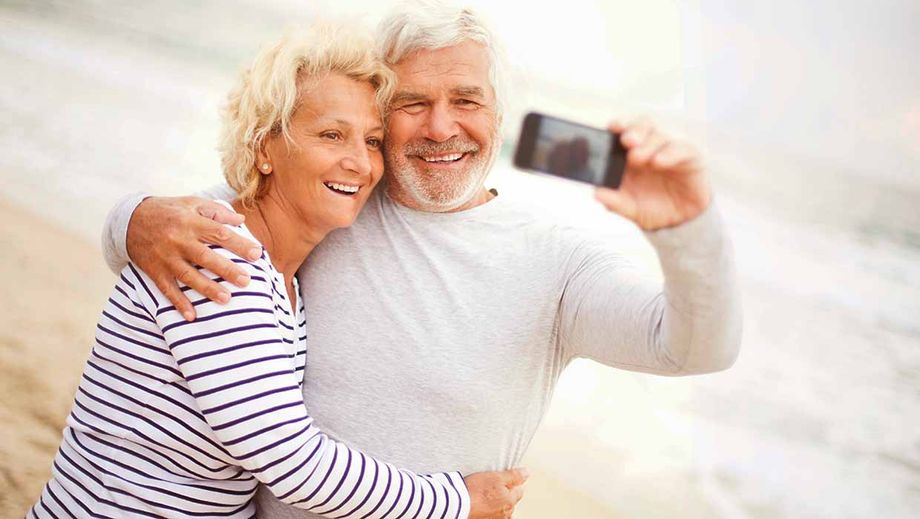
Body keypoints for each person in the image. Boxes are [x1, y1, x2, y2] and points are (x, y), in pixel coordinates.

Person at [101, 2, 743, 517]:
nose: (441, 127)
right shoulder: (337, 197)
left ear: (499, 112)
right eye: (413, 103)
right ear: (382, 110)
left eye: (465, 100)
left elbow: (692, 349)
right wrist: (134, 217)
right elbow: (188, 230)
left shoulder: (559, 258)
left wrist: (688, 229)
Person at [30, 23, 526, 519]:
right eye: (331, 135)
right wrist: (458, 500)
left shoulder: (268, 260)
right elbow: (295, 464)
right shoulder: (219, 261)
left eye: (373, 141)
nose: (358, 162)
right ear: (264, 147)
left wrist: (132, 215)